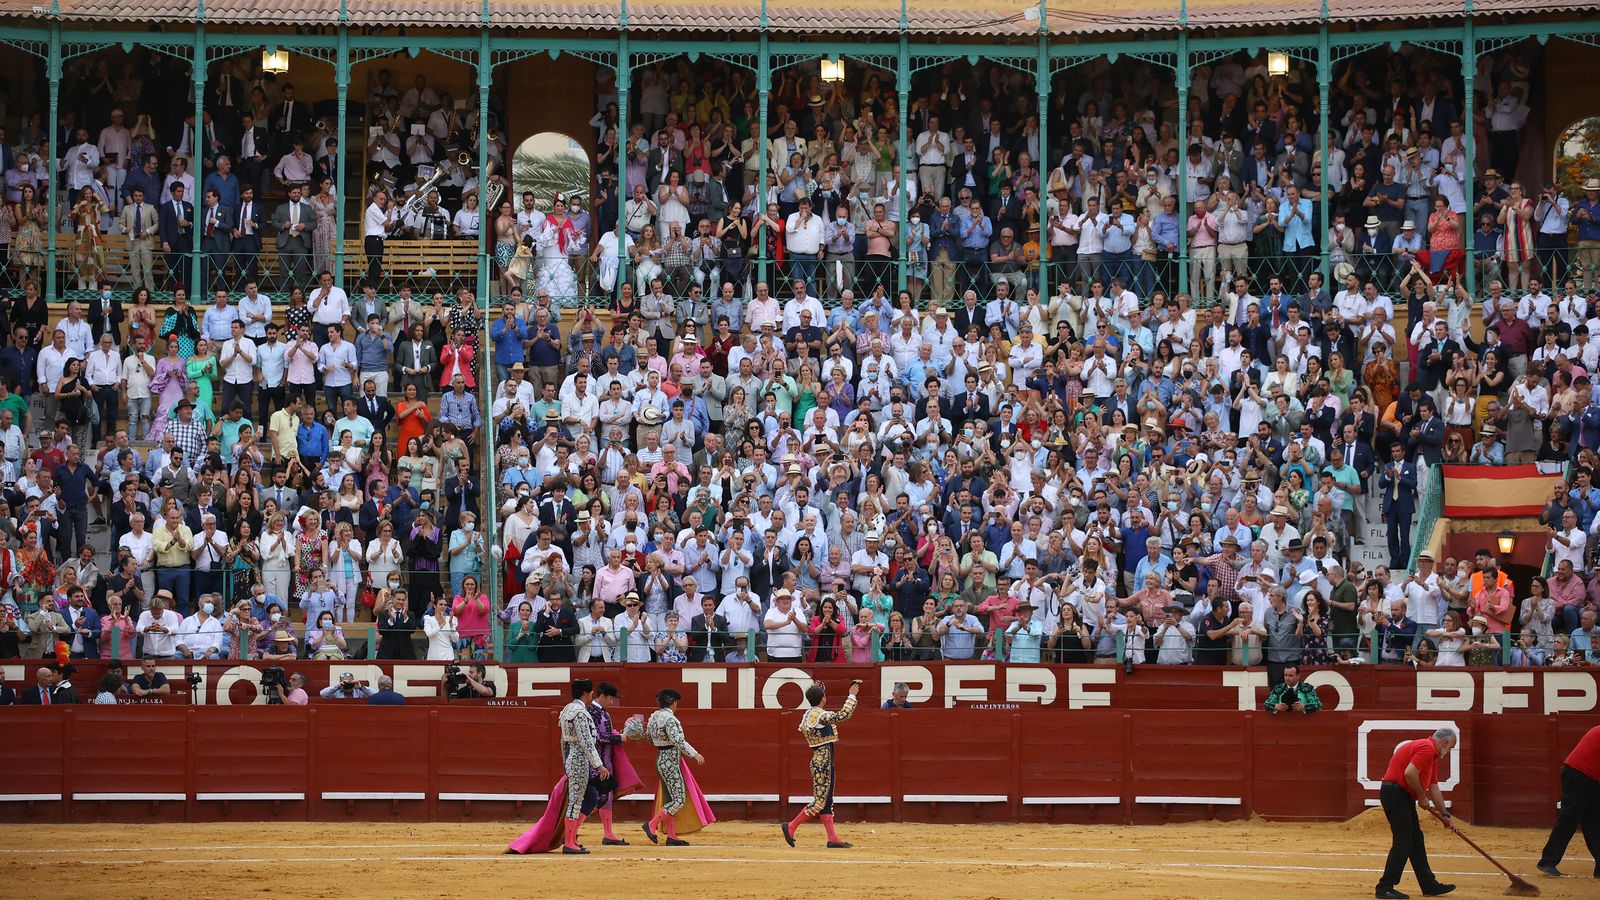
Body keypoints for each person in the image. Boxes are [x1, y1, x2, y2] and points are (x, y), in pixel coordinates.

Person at [1375, 726, 1459, 899]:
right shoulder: (1427, 748)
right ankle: (1385, 887)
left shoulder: (1431, 755)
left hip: (1400, 795)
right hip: (1395, 793)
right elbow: (1410, 773)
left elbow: (1434, 788)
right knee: (1404, 841)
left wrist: (1445, 815)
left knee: (1415, 840)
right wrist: (1421, 796)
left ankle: (1429, 885)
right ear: (1445, 742)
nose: (1448, 752)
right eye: (1450, 747)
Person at [783, 678, 861, 849]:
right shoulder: (820, 715)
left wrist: (817, 691)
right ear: (823, 698)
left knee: (826, 801)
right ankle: (791, 826)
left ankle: (833, 838)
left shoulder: (810, 714)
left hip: (822, 761)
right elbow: (842, 715)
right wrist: (851, 696)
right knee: (819, 803)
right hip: (823, 763)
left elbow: (819, 707)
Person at [641, 688, 711, 846]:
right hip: (671, 762)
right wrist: (694, 754)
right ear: (673, 702)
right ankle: (651, 824)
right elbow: (678, 740)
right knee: (678, 800)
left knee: (671, 799)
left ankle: (671, 836)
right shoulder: (670, 719)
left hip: (661, 759)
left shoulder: (654, 717)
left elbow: (649, 739)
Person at [1537, 723, 1600, 878]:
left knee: (1594, 822)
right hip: (1579, 775)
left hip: (1589, 777)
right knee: (1570, 818)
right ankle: (1547, 861)